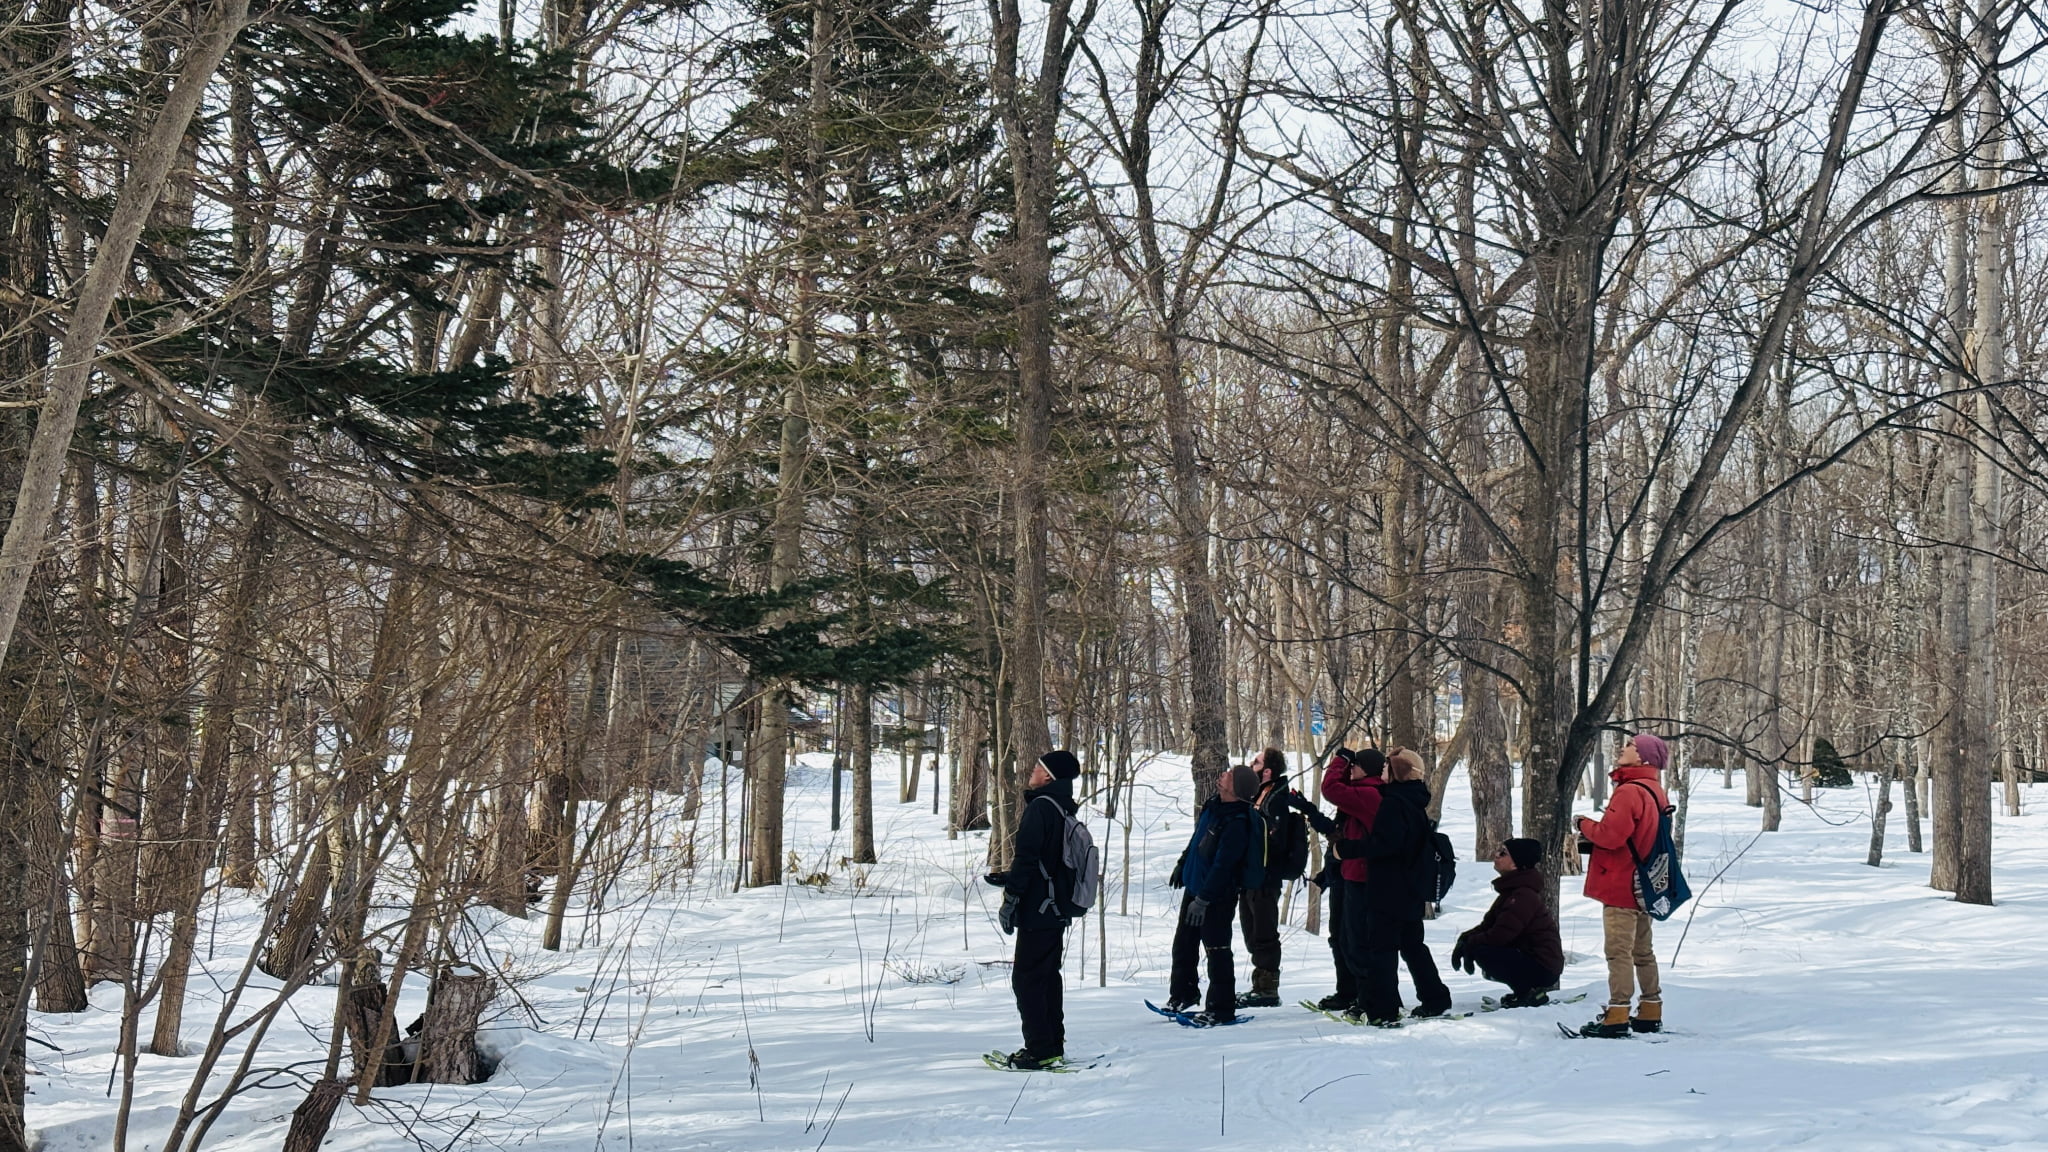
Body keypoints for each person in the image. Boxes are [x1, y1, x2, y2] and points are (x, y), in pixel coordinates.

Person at [983, 749, 1082, 1069]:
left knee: (1026, 979)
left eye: (1038, 766)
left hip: (1038, 910)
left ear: (1049, 776)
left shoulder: (1041, 807)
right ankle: (1052, 1043)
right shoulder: (1062, 808)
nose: (1033, 770)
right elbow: (1047, 861)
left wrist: (1011, 899)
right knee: (1047, 977)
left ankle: (1039, 1049)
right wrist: (1012, 879)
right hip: (1056, 907)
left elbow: (1027, 858)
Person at [1575, 732, 1672, 1038]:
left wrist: (1582, 824)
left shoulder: (1629, 791)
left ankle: (1617, 1014)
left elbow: (1610, 836)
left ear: (1643, 758)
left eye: (1630, 746)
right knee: (1643, 951)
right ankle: (1650, 1009)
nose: (1623, 748)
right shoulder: (1656, 790)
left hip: (1621, 883)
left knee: (1618, 952)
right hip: (1646, 884)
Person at [1350, 746, 1452, 1021]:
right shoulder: (1413, 800)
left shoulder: (1394, 803)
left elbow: (1386, 844)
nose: (1382, 771)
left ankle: (1382, 1010)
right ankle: (1435, 997)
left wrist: (1349, 849)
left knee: (1382, 948)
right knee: (1412, 945)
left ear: (1398, 772)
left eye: (1387, 767)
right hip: (1410, 888)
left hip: (1389, 888)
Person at [1166, 763, 1261, 1025]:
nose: (1223, 774)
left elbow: (1224, 865)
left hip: (1215, 897)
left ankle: (1221, 1008)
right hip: (1195, 888)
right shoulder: (1214, 805)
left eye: (1229, 775)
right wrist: (1183, 863)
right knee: (1183, 945)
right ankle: (1183, 993)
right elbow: (1197, 840)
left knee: (1217, 950)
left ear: (1236, 788)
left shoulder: (1237, 822)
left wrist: (1204, 899)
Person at [1319, 747, 1395, 1022]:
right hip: (1356, 875)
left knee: (1358, 943)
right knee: (1353, 940)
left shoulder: (1367, 794)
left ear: (1367, 769)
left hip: (1362, 878)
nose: (1351, 769)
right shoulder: (1368, 791)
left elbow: (1330, 788)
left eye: (1355, 765)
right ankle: (1366, 996)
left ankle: (1369, 1000)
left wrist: (1340, 759)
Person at [1449, 837, 1564, 1006]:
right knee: (1482, 947)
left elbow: (1500, 935)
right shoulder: (1512, 892)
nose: (1496, 855)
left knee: (1484, 951)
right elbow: (1487, 926)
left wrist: (1471, 945)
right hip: (1534, 960)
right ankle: (1524, 992)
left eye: (1503, 853)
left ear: (1515, 864)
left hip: (1543, 967)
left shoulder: (1522, 895)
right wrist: (1464, 939)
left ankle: (1527, 994)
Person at [1236, 748, 1307, 1008]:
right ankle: (1259, 985)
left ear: (1267, 771)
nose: (1250, 764)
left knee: (1264, 933)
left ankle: (1267, 989)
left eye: (1255, 762)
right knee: (1251, 932)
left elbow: (1272, 839)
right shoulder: (1257, 794)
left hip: (1266, 877)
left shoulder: (1276, 797)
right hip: (1251, 877)